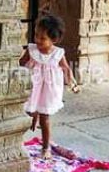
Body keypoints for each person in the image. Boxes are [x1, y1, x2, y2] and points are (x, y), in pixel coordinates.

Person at [19, 13, 81, 159]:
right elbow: (21, 63)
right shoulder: (31, 50)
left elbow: (66, 69)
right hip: (33, 88)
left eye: (43, 38)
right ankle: (18, 144)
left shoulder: (58, 54)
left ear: (54, 39)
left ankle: (46, 147)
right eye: (36, 36)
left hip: (49, 90)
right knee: (27, 114)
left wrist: (72, 83)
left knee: (45, 118)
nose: (38, 40)